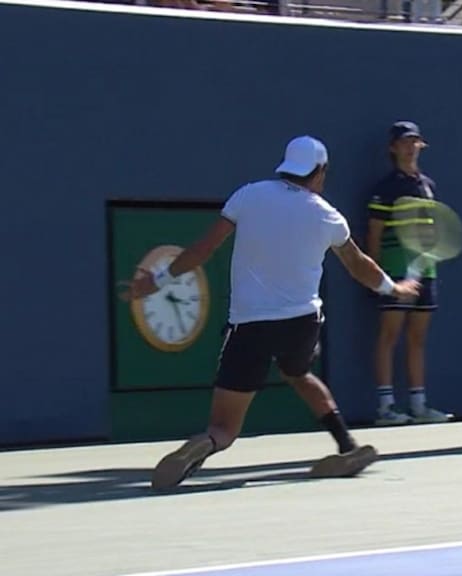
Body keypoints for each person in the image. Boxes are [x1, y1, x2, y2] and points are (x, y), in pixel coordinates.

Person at [121, 135, 420, 490]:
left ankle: (207, 442)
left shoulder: (249, 195)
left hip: (249, 328)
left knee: (224, 429)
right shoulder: (328, 216)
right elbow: (359, 267)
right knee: (298, 370)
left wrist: (155, 281)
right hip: (301, 325)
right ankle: (346, 444)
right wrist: (395, 289)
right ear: (320, 172)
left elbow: (202, 249)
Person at [366, 121, 452, 425]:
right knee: (389, 335)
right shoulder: (385, 188)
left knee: (417, 338)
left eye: (415, 141)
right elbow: (374, 233)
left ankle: (418, 404)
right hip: (394, 270)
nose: (410, 146)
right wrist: (376, 276)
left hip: (424, 269)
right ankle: (385, 407)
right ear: (393, 148)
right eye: (404, 141)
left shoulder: (428, 185)